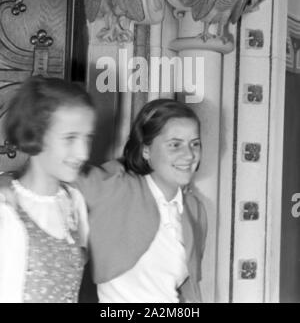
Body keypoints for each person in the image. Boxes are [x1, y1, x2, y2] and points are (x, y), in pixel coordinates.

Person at [78, 98, 207, 303]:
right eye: (175, 144)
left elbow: (187, 289)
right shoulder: (117, 187)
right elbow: (56, 174)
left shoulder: (194, 208)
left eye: (195, 144)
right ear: (146, 149)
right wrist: (8, 182)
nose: (189, 155)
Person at [0, 76, 96, 303]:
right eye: (70, 138)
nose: (84, 153)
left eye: (88, 138)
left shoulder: (74, 202)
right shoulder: (7, 209)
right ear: (36, 135)